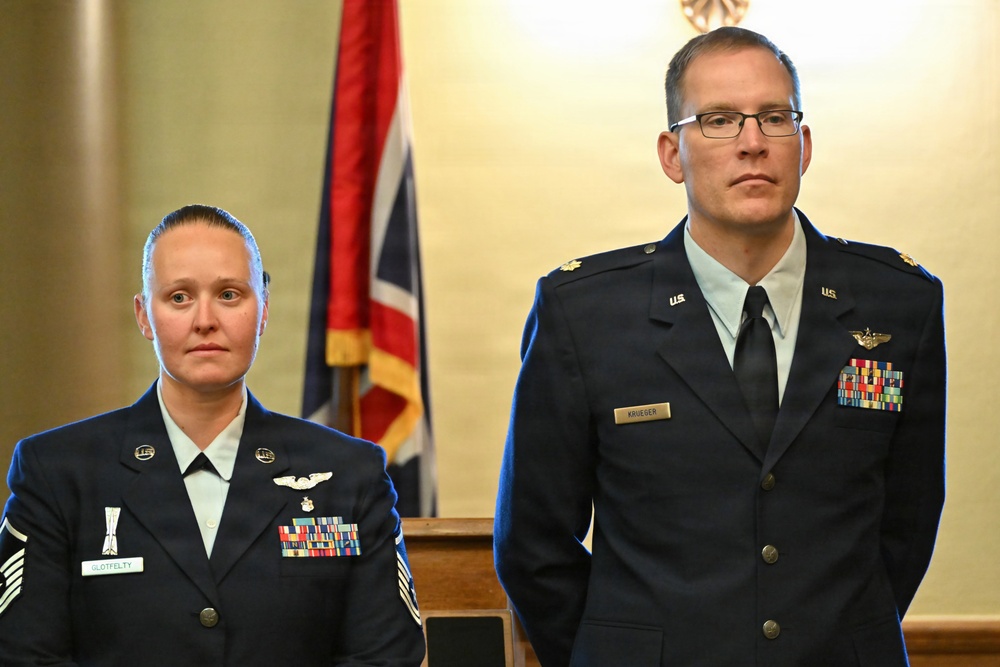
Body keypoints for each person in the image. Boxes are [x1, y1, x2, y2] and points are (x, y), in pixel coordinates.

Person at [494, 27, 946, 667]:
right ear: (672, 153)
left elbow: (908, 523)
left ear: (804, 145)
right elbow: (533, 545)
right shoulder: (584, 313)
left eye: (774, 118)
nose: (753, 143)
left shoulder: (899, 303)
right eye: (718, 120)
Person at [0, 205, 425, 665]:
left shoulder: (348, 475)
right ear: (144, 316)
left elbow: (385, 657)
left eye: (228, 294)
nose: (205, 319)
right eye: (179, 297)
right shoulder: (58, 473)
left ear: (262, 309)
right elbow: (26, 656)